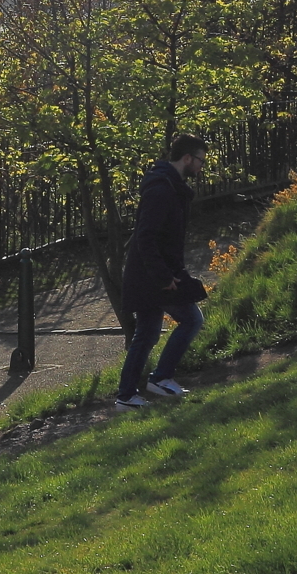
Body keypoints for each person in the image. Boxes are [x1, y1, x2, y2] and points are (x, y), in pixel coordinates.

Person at [113, 134, 208, 410]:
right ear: (187, 158)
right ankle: (154, 381)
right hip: (152, 278)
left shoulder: (168, 186)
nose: (201, 167)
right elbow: (146, 238)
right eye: (200, 160)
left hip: (153, 274)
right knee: (190, 319)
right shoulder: (162, 190)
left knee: (148, 332)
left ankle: (130, 394)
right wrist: (165, 277)